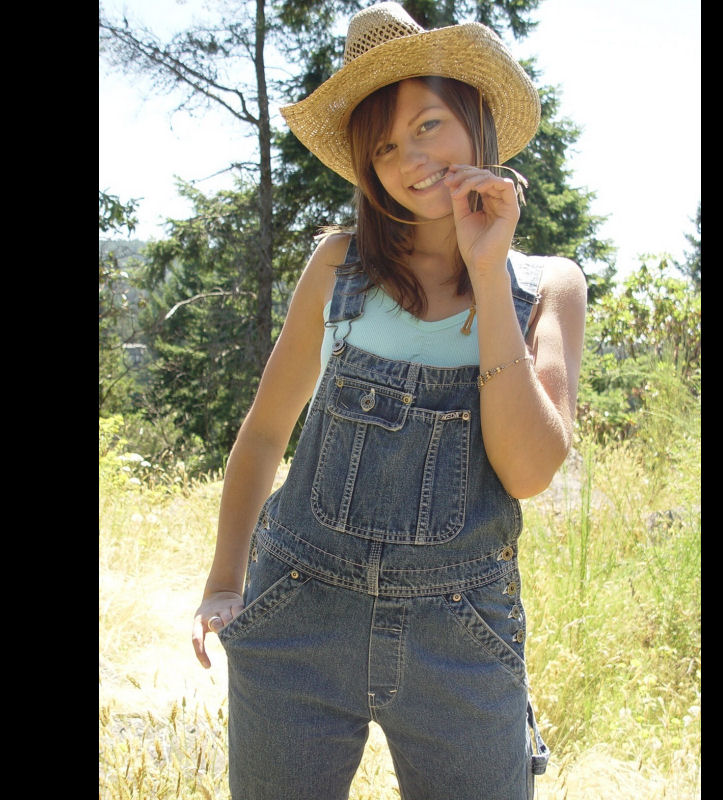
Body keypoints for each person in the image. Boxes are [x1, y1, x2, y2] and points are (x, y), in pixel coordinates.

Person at [191, 3, 586, 798]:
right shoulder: (338, 267)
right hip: (298, 612)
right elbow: (265, 433)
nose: (412, 159)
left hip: (461, 636)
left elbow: (529, 472)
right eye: (385, 147)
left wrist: (487, 270)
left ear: (476, 119)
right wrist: (225, 582)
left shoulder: (548, 286)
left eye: (429, 124)